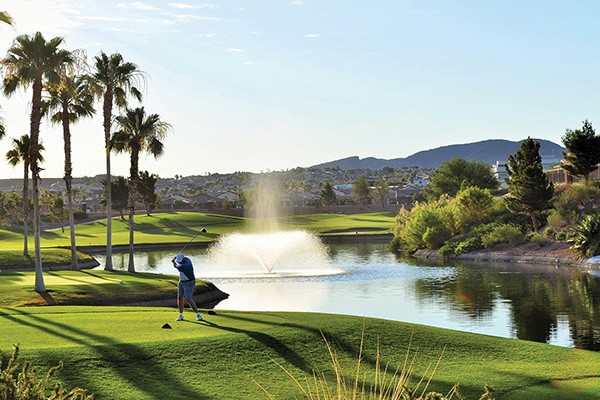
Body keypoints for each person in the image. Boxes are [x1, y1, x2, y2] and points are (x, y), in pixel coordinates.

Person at [172, 252, 203, 321]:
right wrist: (175, 259)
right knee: (180, 298)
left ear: (183, 259)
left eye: (180, 262)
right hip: (181, 282)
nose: (179, 263)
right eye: (178, 262)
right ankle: (181, 315)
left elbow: (175, 266)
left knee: (188, 299)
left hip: (189, 282)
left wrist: (173, 261)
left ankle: (198, 314)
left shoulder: (186, 265)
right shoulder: (187, 259)